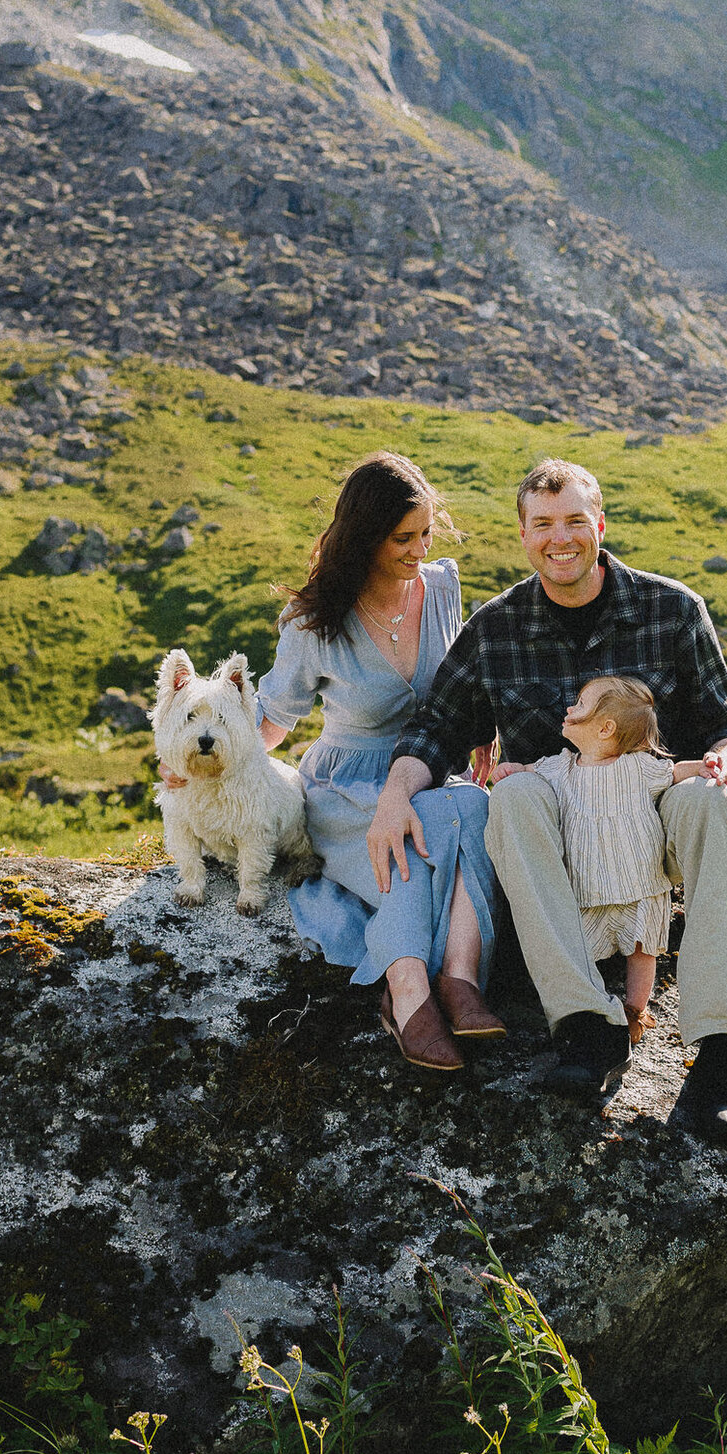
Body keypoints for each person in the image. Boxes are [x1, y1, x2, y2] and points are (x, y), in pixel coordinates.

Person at [371, 458, 727, 1145]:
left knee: (709, 801)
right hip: (556, 837)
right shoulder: (497, 628)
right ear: (523, 535)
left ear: (599, 526)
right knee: (512, 794)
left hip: (651, 822)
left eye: (575, 521)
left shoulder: (673, 610)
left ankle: (720, 1061)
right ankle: (586, 1029)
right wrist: (395, 792)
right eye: (543, 524)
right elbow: (436, 726)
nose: (561, 538)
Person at [249, 452, 503, 1073]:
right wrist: (203, 767)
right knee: (412, 842)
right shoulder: (313, 622)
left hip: (432, 773)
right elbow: (272, 723)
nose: (418, 551)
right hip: (347, 786)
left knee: (478, 807)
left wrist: (481, 736)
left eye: (425, 534)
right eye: (401, 539)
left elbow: (462, 684)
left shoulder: (442, 586)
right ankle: (411, 990)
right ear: (364, 537)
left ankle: (454, 981)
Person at [492, 676, 715, 1046]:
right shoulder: (561, 767)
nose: (568, 708)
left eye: (580, 705)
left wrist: (708, 766)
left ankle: (634, 1009)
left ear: (606, 728)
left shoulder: (638, 767)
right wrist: (510, 770)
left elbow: (675, 771)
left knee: (642, 951)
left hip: (639, 882)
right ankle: (590, 1003)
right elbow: (529, 771)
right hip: (588, 886)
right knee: (583, 944)